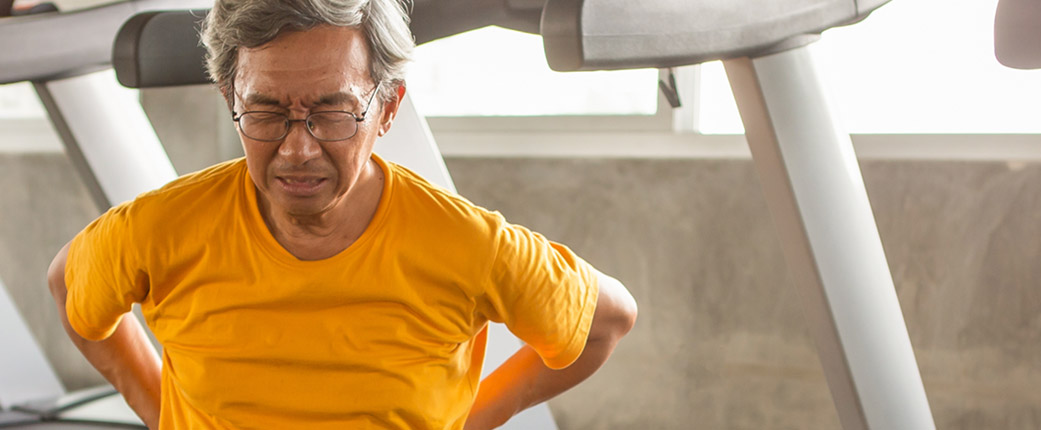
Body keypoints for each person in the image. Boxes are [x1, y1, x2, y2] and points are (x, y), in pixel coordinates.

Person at [46, 0, 637, 428]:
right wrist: (156, 408)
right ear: (229, 98)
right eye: (267, 112)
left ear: (387, 108)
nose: (297, 149)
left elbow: (606, 321)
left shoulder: (466, 243)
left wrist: (478, 413)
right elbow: (70, 284)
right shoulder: (160, 229)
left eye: (333, 113)